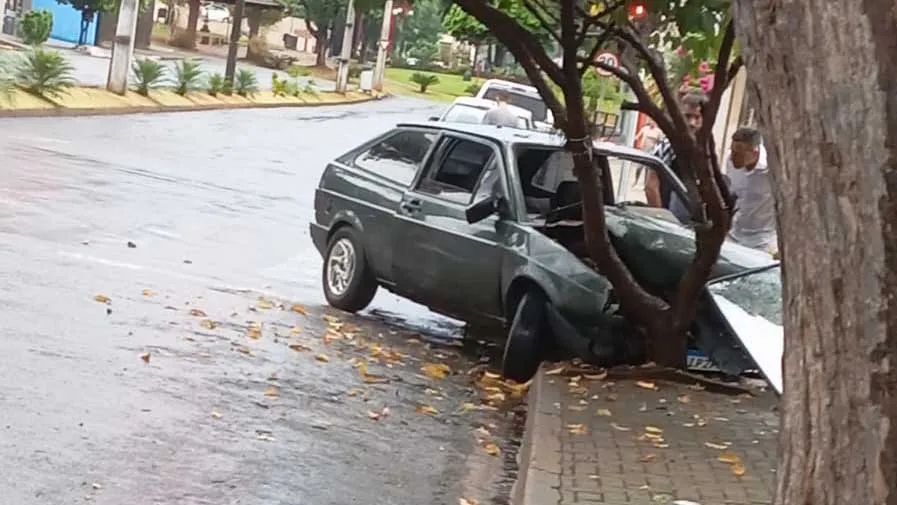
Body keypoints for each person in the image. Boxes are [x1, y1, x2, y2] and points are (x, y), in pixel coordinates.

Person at [645, 91, 708, 224]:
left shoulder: (705, 149)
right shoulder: (669, 145)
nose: (692, 123)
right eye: (687, 116)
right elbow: (651, 185)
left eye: (697, 117)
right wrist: (661, 219)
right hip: (670, 219)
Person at [726, 127, 778, 252]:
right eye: (732, 151)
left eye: (738, 154)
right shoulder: (730, 162)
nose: (733, 157)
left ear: (754, 153)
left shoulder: (771, 169)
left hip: (762, 241)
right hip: (735, 233)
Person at [632, 119, 663, 186]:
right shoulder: (645, 129)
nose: (652, 123)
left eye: (653, 122)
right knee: (639, 167)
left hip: (651, 152)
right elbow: (638, 136)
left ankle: (645, 183)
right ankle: (636, 180)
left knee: (647, 168)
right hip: (642, 150)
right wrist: (634, 139)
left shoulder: (658, 132)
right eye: (651, 122)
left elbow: (660, 142)